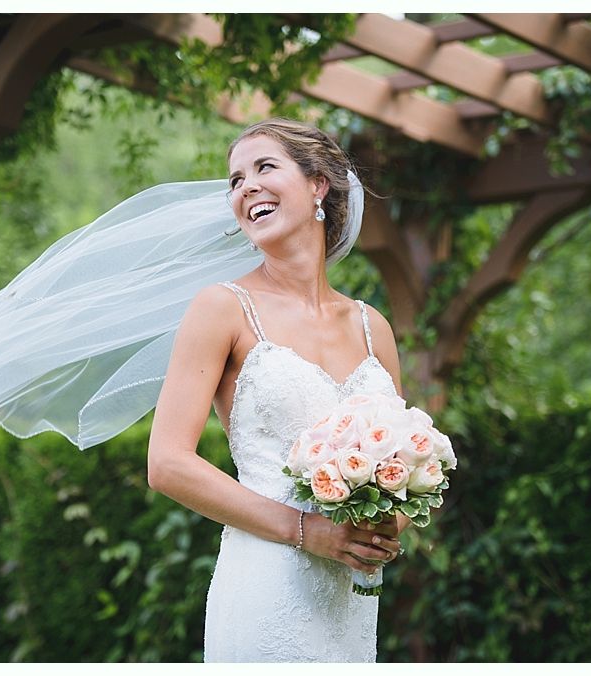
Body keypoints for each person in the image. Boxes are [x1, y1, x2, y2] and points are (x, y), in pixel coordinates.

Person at [146, 118, 408, 662]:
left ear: (319, 184)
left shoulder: (371, 325)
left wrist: (388, 521)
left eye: (265, 168)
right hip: (266, 583)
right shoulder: (222, 307)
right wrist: (305, 530)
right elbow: (167, 464)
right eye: (236, 180)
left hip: (350, 597)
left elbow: (402, 467)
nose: (246, 188)